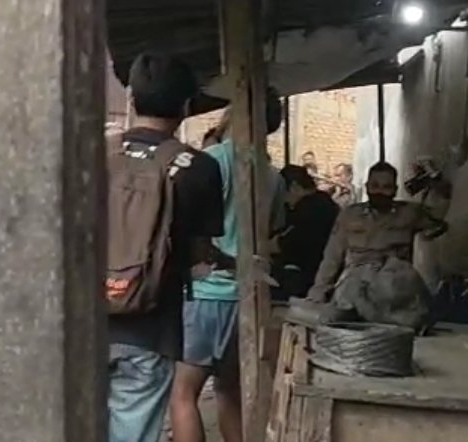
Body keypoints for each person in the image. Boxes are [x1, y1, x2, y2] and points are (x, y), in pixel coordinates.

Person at [108, 52, 224, 442]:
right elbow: (200, 256)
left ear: (131, 99)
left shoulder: (91, 156)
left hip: (78, 325)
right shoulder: (199, 168)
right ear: (187, 106)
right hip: (150, 330)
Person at [169, 90, 285, 442]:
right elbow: (274, 232)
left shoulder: (210, 162)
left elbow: (183, 226)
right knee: (229, 391)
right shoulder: (273, 175)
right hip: (249, 297)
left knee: (183, 393)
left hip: (207, 293)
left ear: (234, 114)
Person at [307, 161, 451, 304]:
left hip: (396, 284)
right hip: (355, 286)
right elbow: (332, 257)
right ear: (367, 187)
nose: (380, 192)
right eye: (375, 186)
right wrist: (319, 291)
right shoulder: (350, 215)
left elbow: (439, 214)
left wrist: (436, 179)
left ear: (395, 190)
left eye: (386, 187)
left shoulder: (408, 213)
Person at [270, 165, 339, 300]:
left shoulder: (308, 209)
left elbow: (285, 243)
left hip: (307, 278)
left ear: (294, 186)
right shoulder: (325, 202)